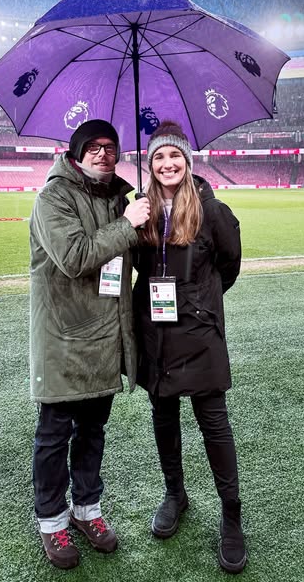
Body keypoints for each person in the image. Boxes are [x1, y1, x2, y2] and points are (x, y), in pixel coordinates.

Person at [29, 119, 150, 570]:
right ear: (76, 153)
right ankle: (52, 521)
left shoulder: (119, 197)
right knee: (54, 435)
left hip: (105, 336)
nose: (103, 153)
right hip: (64, 337)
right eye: (93, 146)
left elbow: (127, 257)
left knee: (93, 432)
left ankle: (87, 511)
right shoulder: (53, 197)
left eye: (110, 147)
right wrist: (127, 224)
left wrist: (145, 220)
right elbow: (75, 257)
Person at [132, 121, 246, 574]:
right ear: (150, 164)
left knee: (213, 423)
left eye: (174, 155)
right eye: (159, 157)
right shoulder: (139, 209)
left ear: (187, 160)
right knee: (163, 415)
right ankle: (174, 493)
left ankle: (232, 515)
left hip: (198, 332)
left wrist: (199, 301)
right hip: (155, 331)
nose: (167, 164)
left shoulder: (210, 209)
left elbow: (229, 265)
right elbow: (135, 265)